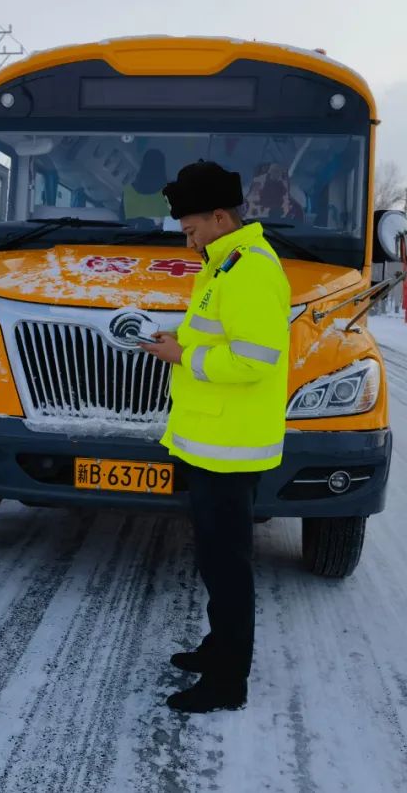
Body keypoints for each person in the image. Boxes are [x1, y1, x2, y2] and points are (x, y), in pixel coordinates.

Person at [140, 161, 291, 713]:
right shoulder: (224, 265)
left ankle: (229, 682)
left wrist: (184, 355)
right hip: (211, 442)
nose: (188, 239)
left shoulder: (249, 269)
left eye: (190, 228)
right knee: (213, 561)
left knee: (228, 569)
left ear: (220, 216)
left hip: (230, 449)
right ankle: (217, 648)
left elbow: (255, 357)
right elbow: (216, 331)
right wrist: (172, 338)